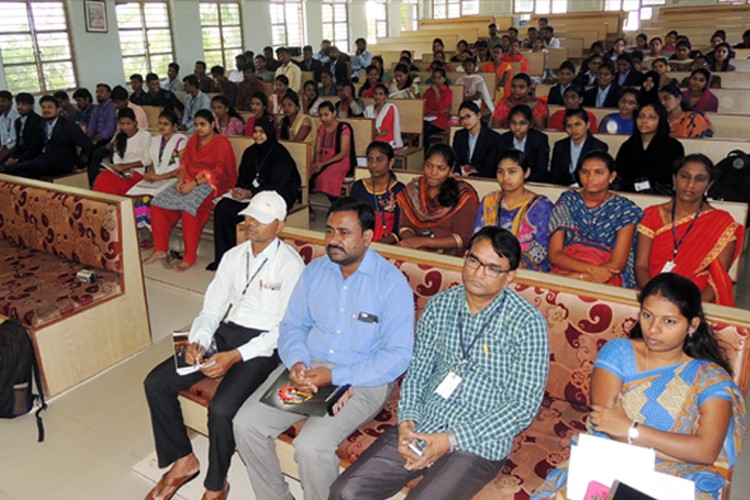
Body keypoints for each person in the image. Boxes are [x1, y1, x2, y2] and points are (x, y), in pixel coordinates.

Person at [330, 226, 549, 500]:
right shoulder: (440, 305)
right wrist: (407, 422)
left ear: (509, 277)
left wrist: (450, 440)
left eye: (493, 268)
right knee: (345, 491)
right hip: (426, 422)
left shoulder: (527, 323)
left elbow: (522, 406)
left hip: (480, 441)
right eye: (474, 260)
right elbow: (418, 373)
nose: (479, 273)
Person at [233, 196, 415, 500]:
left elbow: (397, 356)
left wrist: (335, 376)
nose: (333, 240)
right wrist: (297, 362)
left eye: (344, 233)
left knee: (311, 447)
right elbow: (293, 326)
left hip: (361, 378)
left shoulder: (391, 283)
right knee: (246, 425)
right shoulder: (315, 271)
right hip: (309, 369)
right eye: (329, 231)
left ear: (367, 237)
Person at [144, 191, 305, 500]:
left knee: (221, 409)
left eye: (261, 219)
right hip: (226, 332)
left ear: (280, 226)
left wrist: (234, 357)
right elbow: (212, 310)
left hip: (263, 347)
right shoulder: (233, 256)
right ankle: (183, 460)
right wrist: (200, 340)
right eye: (250, 216)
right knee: (156, 382)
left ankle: (216, 484)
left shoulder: (291, 265)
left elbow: (284, 330)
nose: (251, 223)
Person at [533, 273, 746, 500]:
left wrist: (631, 428)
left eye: (669, 321)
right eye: (647, 315)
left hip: (681, 479)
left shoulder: (710, 377)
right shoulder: (619, 352)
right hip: (612, 460)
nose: (653, 329)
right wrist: (682, 450)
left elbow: (706, 452)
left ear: (692, 324)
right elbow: (608, 427)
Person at [635, 154, 743, 306]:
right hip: (652, 293)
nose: (690, 184)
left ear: (709, 185)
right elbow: (641, 266)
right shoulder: (651, 215)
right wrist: (653, 298)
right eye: (685, 176)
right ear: (674, 179)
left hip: (696, 300)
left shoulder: (722, 223)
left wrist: (691, 308)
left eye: (700, 179)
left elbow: (715, 281)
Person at [143, 110, 237, 271]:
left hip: (211, 184)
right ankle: (160, 249)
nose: (199, 128)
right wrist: (180, 181)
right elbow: (184, 165)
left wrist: (194, 183)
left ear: (212, 125)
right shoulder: (193, 141)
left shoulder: (221, 142)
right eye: (196, 124)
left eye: (203, 124)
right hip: (188, 180)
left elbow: (220, 172)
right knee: (158, 203)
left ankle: (189, 256)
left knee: (189, 207)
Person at [209, 116, 301, 270]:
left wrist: (251, 193)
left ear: (270, 133)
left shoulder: (279, 154)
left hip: (275, 195)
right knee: (223, 208)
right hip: (250, 196)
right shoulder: (250, 152)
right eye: (255, 131)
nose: (258, 135)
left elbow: (279, 184)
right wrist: (239, 190)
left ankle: (251, 258)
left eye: (262, 132)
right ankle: (226, 258)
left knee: (258, 212)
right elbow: (243, 177)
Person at [548, 150, 642, 288]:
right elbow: (555, 254)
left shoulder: (625, 209)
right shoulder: (568, 200)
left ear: (612, 176)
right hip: (568, 267)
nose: (590, 178)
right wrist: (588, 271)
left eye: (598, 172)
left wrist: (577, 278)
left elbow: (617, 264)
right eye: (585, 172)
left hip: (607, 274)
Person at [474, 151, 553, 272]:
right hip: (487, 261)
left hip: (524, 267)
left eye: (512, 171)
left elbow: (542, 246)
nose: (505, 177)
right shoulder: (489, 201)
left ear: (526, 173)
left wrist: (518, 263)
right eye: (500, 171)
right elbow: (477, 235)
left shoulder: (541, 206)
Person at [395, 144, 479, 256]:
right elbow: (405, 226)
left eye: (441, 168)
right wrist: (415, 245)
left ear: (451, 169)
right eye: (429, 166)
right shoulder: (413, 190)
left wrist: (424, 242)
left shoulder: (463, 195)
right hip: (415, 251)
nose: (433, 173)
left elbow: (462, 238)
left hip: (449, 255)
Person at [2, 95, 92, 180]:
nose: (46, 110)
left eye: (49, 107)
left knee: (20, 168)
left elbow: (87, 145)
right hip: (45, 159)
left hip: (62, 163)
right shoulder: (42, 123)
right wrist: (18, 159)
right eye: (43, 107)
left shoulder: (68, 125)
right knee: (13, 170)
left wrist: (80, 164)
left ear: (58, 109)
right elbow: (36, 146)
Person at [134, 110, 187, 232]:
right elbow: (154, 162)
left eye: (166, 124)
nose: (162, 127)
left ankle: (157, 232)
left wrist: (160, 177)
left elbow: (182, 167)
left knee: (150, 199)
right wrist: (151, 174)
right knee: (135, 196)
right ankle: (141, 228)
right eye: (160, 123)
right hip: (157, 178)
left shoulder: (181, 141)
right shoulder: (155, 140)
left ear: (174, 126)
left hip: (173, 178)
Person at [615, 102, 685, 194]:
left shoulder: (673, 146)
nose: (644, 121)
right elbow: (619, 176)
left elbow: (672, 179)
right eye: (641, 116)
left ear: (661, 120)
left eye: (651, 117)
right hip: (628, 195)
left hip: (660, 196)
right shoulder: (628, 145)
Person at [350, 141, 405, 243]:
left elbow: (398, 230)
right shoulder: (358, 187)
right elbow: (351, 220)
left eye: (380, 160)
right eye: (370, 160)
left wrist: (377, 246)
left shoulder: (399, 190)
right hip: (360, 242)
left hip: (387, 245)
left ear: (391, 162)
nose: (374, 165)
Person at [92, 108, 152, 196]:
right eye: (122, 124)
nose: (125, 127)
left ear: (135, 122)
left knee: (115, 186)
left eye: (128, 123)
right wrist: (119, 168)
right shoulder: (118, 136)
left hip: (136, 173)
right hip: (121, 172)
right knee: (101, 177)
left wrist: (126, 166)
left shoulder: (145, 135)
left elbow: (147, 160)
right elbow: (116, 158)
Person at [549, 108, 608, 186]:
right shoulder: (560, 146)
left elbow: (598, 177)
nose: (573, 129)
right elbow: (554, 176)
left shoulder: (599, 147)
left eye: (577, 124)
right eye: (569, 126)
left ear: (587, 125)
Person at [312, 101, 356, 199]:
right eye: (320, 115)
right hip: (323, 160)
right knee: (306, 172)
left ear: (334, 113)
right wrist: (318, 163)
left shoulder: (344, 128)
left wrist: (323, 164)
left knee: (326, 178)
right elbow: (318, 150)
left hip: (340, 161)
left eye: (326, 115)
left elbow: (343, 153)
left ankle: (335, 202)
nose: (323, 118)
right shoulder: (321, 128)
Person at [497, 104, 550, 182]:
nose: (517, 128)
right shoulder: (503, 139)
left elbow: (541, 171)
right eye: (513, 123)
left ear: (530, 124)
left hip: (532, 182)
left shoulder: (540, 139)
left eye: (522, 123)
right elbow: (498, 167)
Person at [452, 101, 501, 178]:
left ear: (478, 115)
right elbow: (455, 160)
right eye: (462, 118)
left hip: (483, 179)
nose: (465, 121)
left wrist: (472, 171)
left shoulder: (492, 137)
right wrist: (457, 173)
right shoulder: (459, 135)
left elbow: (490, 167)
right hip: (461, 177)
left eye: (468, 116)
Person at [364, 84, 403, 149]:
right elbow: (367, 127)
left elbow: (386, 131)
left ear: (385, 96)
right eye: (375, 94)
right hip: (371, 138)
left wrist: (376, 132)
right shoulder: (368, 109)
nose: (377, 96)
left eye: (381, 94)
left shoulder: (391, 107)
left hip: (387, 139)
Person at [422, 67, 453, 145]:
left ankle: (426, 153)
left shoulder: (448, 92)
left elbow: (442, 109)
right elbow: (423, 105)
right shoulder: (428, 91)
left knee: (425, 130)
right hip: (428, 117)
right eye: (434, 78)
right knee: (420, 127)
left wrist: (437, 94)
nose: (436, 81)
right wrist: (429, 112)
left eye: (439, 78)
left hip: (440, 120)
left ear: (444, 79)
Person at [87, 83, 116, 147]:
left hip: (108, 138)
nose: (98, 94)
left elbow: (110, 128)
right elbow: (92, 125)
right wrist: (88, 136)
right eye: (97, 92)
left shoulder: (112, 107)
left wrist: (98, 138)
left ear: (109, 94)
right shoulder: (96, 109)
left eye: (101, 92)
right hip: (96, 138)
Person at [0, 90, 19, 165]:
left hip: (13, 150)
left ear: (11, 102)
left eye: (3, 101)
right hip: (4, 148)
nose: (0, 103)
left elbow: (14, 142)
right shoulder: (1, 118)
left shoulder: (17, 118)